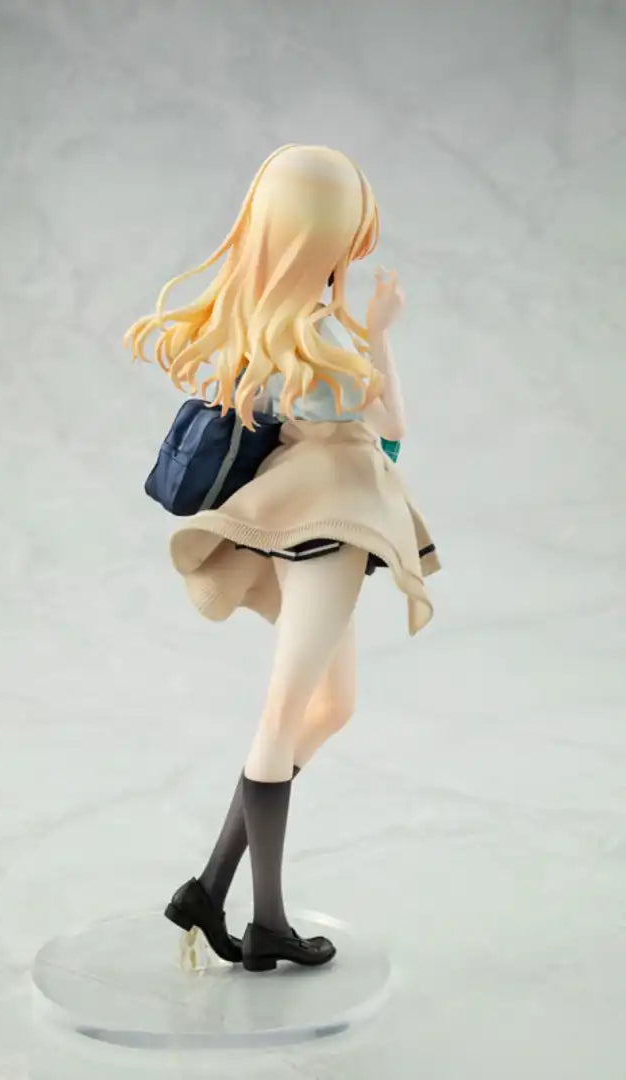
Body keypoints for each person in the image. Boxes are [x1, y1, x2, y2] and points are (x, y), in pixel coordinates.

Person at [124, 144, 441, 973]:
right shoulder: (321, 333)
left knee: (331, 706)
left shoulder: (264, 321)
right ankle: (266, 923)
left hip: (302, 528)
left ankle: (208, 888)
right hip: (326, 537)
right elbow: (393, 432)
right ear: (328, 235)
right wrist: (379, 335)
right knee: (283, 718)